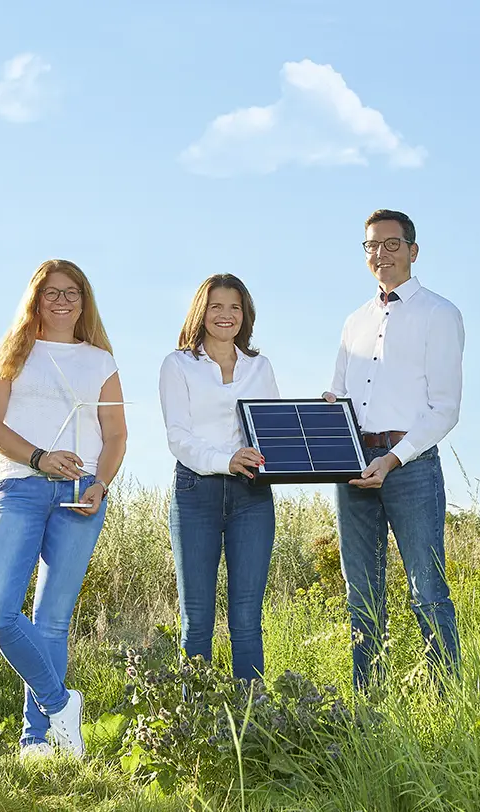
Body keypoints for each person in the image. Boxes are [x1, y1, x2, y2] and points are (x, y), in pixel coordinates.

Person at [0, 259, 127, 761]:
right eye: (51, 293)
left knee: (53, 621)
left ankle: (38, 740)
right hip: (19, 486)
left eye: (72, 293)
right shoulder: (11, 352)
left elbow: (117, 436)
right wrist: (40, 457)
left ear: (84, 302)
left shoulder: (100, 361)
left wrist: (100, 484)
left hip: (80, 494)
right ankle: (62, 703)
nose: (62, 301)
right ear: (35, 299)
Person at [322, 208, 465, 693]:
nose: (381, 254)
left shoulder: (439, 314)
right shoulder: (353, 322)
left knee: (427, 591)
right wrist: (321, 415)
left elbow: (445, 409)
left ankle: (447, 701)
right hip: (351, 468)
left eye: (391, 244)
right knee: (360, 595)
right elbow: (338, 395)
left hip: (411, 467)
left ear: (412, 250)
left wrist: (393, 458)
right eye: (371, 246)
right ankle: (368, 705)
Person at [158, 274, 279, 683]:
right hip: (196, 494)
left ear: (245, 315)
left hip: (252, 497)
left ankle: (255, 723)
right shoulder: (178, 365)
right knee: (197, 619)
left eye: (234, 308)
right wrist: (226, 460)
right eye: (216, 307)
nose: (226, 315)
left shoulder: (260, 368)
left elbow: (272, 431)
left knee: (246, 618)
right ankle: (196, 725)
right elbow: (179, 438)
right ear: (201, 312)